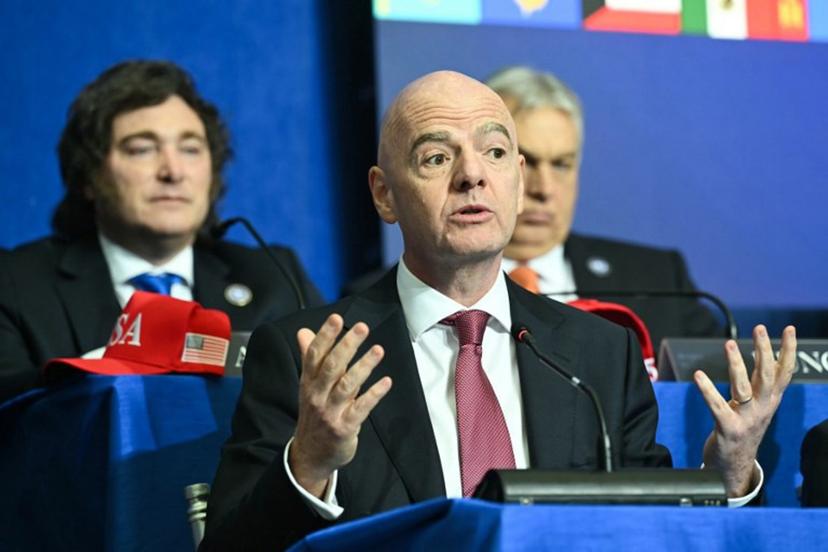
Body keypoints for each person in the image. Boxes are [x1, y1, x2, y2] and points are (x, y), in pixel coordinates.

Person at [202, 71, 796, 550]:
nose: (471, 177)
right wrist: (307, 464)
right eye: (437, 158)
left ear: (514, 177)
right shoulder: (313, 353)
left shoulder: (597, 353)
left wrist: (730, 472)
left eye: (493, 152)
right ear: (385, 193)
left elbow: (645, 530)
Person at [0, 60, 321, 403]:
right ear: (89, 174)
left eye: (191, 148)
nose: (173, 171)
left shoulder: (275, 279)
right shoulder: (17, 285)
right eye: (142, 149)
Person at [486, 66, 721, 349]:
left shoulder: (656, 281)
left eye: (562, 164)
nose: (544, 189)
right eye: (527, 163)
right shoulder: (432, 279)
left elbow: (723, 380)